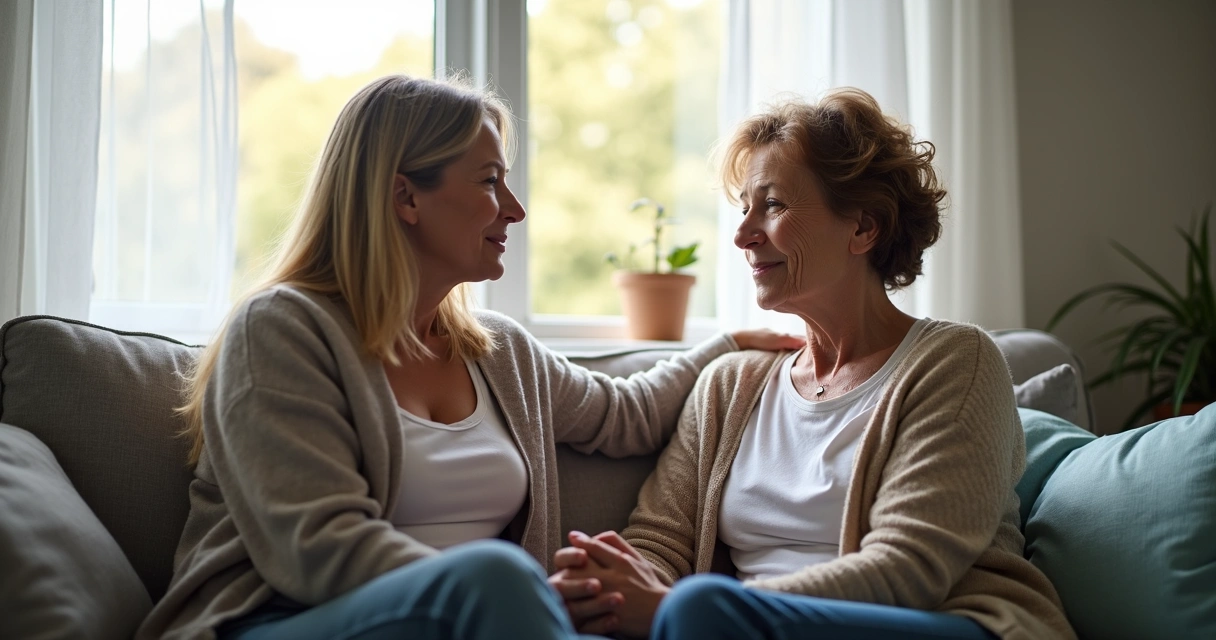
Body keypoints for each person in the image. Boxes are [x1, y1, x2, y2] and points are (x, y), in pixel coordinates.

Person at [134, 74, 802, 640]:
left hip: (478, 620)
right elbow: (318, 549)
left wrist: (723, 347)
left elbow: (622, 414)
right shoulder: (282, 331)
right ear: (405, 196)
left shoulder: (498, 350)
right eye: (489, 183)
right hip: (280, 621)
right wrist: (505, 598)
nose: (514, 210)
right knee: (497, 573)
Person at [549, 88, 1077, 640]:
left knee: (698, 609)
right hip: (733, 625)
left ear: (863, 228)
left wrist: (696, 611)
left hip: (944, 623)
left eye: (772, 205)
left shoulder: (954, 363)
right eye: (744, 208)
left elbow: (909, 569)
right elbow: (658, 544)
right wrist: (609, 590)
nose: (743, 234)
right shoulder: (729, 385)